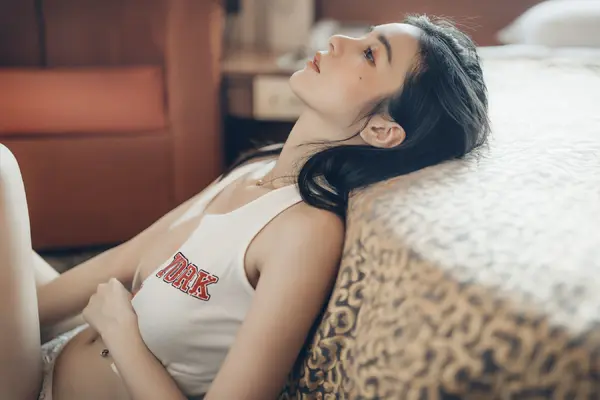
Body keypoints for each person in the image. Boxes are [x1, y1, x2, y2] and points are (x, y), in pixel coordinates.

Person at [0, 15, 490, 400]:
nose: (339, 40)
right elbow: (130, 256)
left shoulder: (306, 232)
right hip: (44, 357)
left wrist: (121, 334)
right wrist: (19, 318)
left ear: (382, 130)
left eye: (368, 53)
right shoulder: (256, 168)